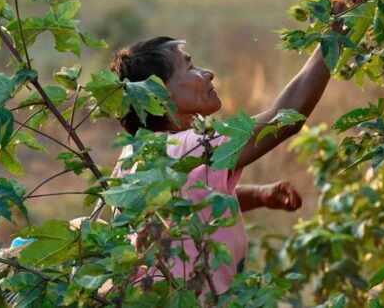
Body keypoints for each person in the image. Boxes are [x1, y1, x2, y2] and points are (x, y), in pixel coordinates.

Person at [103, 33, 336, 295]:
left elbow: (188, 205)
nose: (209, 73)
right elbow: (285, 118)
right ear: (159, 95)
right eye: (190, 68)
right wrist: (334, 36)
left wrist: (259, 195)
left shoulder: (135, 154)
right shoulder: (192, 145)